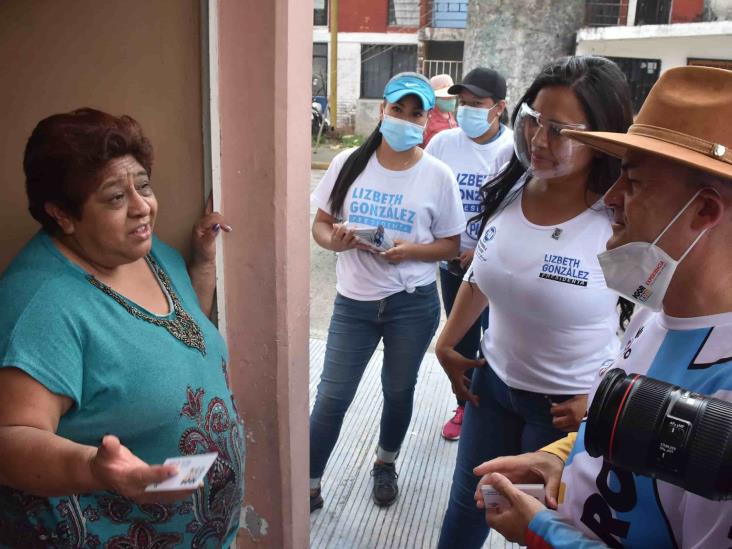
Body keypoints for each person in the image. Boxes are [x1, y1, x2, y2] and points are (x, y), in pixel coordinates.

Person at [474, 65, 732, 549]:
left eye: (632, 183)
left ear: (704, 211)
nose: (611, 197)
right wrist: (561, 454)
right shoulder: (656, 312)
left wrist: (540, 531)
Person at [0, 108, 244, 547]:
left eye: (144, 186)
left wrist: (203, 265)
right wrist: (94, 469)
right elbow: (10, 441)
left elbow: (180, 340)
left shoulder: (155, 255)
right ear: (63, 215)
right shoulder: (42, 303)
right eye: (116, 197)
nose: (142, 206)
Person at [435, 56, 635, 548]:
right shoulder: (515, 182)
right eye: (534, 122)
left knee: (538, 526)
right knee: (471, 500)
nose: (540, 142)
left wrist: (603, 401)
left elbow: (649, 326)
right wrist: (445, 342)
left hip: (565, 410)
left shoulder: (620, 220)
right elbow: (483, 273)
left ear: (602, 138)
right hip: (492, 387)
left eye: (562, 130)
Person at [309, 72, 465, 511]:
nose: (406, 119)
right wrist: (332, 239)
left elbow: (452, 245)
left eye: (416, 113)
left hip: (410, 306)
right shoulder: (347, 163)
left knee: (398, 390)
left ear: (426, 119)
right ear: (383, 110)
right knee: (332, 397)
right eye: (398, 109)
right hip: (353, 303)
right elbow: (320, 225)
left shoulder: (437, 175)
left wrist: (411, 251)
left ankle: (385, 462)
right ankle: (309, 482)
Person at [425, 67, 514, 441]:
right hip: (451, 265)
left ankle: (494, 406)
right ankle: (464, 405)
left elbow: (516, 209)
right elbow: (426, 191)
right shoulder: (443, 144)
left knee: (497, 339)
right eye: (462, 103)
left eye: (476, 104)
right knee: (460, 338)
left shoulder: (514, 150)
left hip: (495, 269)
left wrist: (482, 245)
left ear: (499, 108)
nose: (467, 111)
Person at [422, 73, 458, 147]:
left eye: (452, 96)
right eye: (446, 97)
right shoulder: (427, 118)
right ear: (435, 98)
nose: (451, 99)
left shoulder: (449, 114)